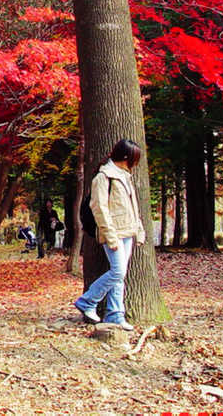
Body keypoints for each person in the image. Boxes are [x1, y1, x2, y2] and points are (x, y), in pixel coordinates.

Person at [74, 139, 146, 331]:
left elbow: (132, 207)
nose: (135, 162)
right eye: (134, 158)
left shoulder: (125, 176)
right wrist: (110, 235)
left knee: (119, 276)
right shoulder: (104, 177)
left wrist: (138, 230)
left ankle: (115, 315)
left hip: (127, 231)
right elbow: (99, 208)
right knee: (118, 272)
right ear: (125, 157)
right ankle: (87, 301)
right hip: (113, 232)